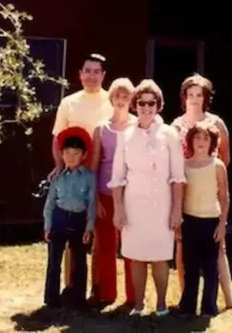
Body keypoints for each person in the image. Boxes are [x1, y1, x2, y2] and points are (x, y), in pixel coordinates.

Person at [109, 80, 185, 317]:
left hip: (161, 204)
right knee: (137, 256)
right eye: (141, 103)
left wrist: (176, 210)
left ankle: (161, 303)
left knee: (160, 256)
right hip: (134, 204)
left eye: (151, 103)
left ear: (158, 105)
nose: (146, 107)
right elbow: (118, 176)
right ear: (135, 105)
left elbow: (177, 176)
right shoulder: (126, 135)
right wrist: (118, 209)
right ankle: (139, 304)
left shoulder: (170, 134)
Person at [171, 74, 232, 309]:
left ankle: (229, 301)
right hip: (185, 198)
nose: (195, 100)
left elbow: (225, 158)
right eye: (190, 95)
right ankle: (185, 299)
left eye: (199, 95)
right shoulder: (176, 125)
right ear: (184, 97)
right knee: (183, 249)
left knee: (217, 252)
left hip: (209, 200)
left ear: (206, 98)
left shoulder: (216, 123)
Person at [50, 53, 112, 290]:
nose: (92, 76)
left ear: (104, 75)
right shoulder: (69, 102)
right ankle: (70, 286)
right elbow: (57, 138)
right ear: (80, 74)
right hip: (73, 175)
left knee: (98, 233)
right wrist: (59, 167)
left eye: (97, 72)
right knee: (70, 232)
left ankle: (98, 289)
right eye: (88, 70)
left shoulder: (111, 101)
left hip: (103, 174)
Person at [88, 77, 137, 306]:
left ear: (132, 100)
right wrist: (95, 198)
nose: (121, 100)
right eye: (117, 96)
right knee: (107, 245)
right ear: (112, 98)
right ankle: (106, 294)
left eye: (126, 96)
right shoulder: (101, 128)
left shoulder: (138, 126)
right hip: (105, 194)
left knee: (132, 246)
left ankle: (134, 297)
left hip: (134, 195)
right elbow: (94, 166)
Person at [176, 120, 229, 316]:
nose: (201, 141)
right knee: (190, 266)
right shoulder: (185, 165)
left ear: (212, 142)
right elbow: (180, 196)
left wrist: (222, 224)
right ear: (190, 141)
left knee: (210, 267)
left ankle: (209, 307)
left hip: (211, 221)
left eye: (206, 138)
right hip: (190, 220)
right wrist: (179, 223)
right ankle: (188, 306)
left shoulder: (217, 166)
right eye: (197, 137)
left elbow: (224, 196)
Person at [43, 127, 96, 308]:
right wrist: (48, 226)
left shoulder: (89, 178)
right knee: (54, 259)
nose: (71, 156)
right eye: (67, 153)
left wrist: (89, 227)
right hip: (59, 218)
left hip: (78, 219)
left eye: (76, 153)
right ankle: (51, 298)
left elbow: (91, 204)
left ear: (83, 155)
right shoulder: (58, 177)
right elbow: (50, 204)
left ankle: (78, 297)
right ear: (62, 154)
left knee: (80, 259)